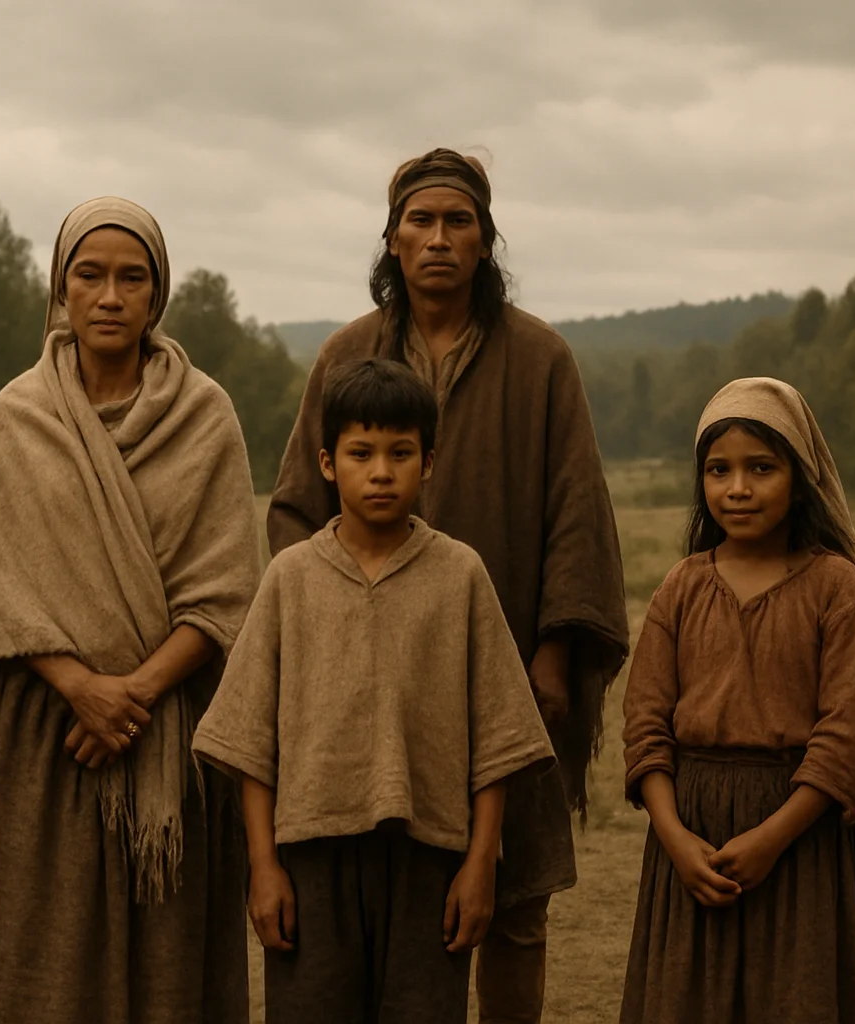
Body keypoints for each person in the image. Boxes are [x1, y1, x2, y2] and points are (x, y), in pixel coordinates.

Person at [267, 147, 629, 1022]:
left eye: (457, 222)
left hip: (509, 674)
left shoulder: (541, 359)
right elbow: (292, 512)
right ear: (391, 239)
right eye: (419, 222)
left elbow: (576, 514)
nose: (437, 239)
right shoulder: (346, 356)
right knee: (391, 901)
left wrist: (550, 656)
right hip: (370, 688)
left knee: (511, 908)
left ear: (485, 239)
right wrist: (318, 649)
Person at [0, 197, 260, 1024]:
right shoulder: (17, 418)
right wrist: (79, 685)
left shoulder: (207, 417)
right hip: (49, 742)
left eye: (131, 277)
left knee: (167, 970)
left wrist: (133, 692)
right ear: (60, 289)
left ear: (158, 294)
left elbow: (226, 593)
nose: (110, 295)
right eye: (90, 275)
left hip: (167, 738)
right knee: (45, 961)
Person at [194, 358, 555, 1023]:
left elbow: (499, 739)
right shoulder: (291, 578)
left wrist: (480, 867)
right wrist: (263, 866)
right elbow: (249, 740)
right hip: (309, 864)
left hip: (430, 862)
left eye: (401, 453)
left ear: (430, 462)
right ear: (328, 464)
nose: (382, 471)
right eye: (361, 453)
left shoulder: (459, 575)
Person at [619, 376, 855, 1023]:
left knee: (797, 996)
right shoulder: (682, 588)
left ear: (799, 476)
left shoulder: (836, 589)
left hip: (800, 838)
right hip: (691, 836)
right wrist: (675, 839)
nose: (738, 488)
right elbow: (645, 725)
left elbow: (849, 735)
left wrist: (772, 839)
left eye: (761, 468)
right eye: (719, 470)